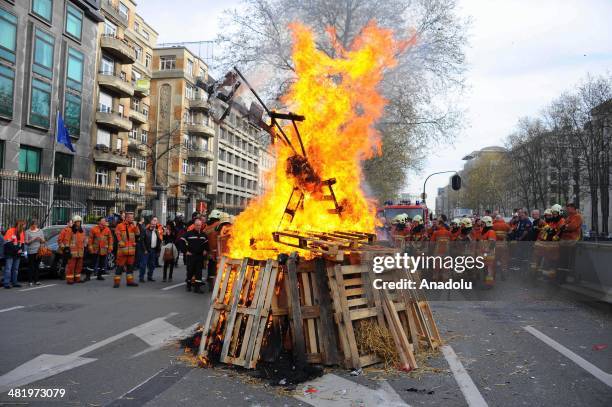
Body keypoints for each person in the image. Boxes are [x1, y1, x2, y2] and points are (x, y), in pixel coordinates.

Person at [180, 219, 209, 294]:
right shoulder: (189, 234)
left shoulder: (203, 235)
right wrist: (186, 251)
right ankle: (189, 285)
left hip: (199, 257)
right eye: (197, 225)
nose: (198, 227)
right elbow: (181, 241)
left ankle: (197, 287)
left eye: (199, 225)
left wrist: (205, 250)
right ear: (194, 225)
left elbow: (207, 244)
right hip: (191, 256)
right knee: (190, 271)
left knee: (199, 272)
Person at [114, 212, 139, 288]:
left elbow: (138, 234)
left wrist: (135, 226)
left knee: (130, 267)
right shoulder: (120, 225)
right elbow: (117, 234)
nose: (132, 219)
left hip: (131, 251)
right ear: (127, 218)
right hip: (122, 251)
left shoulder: (133, 226)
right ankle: (116, 283)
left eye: (133, 218)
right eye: (131, 218)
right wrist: (120, 241)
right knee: (120, 267)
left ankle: (130, 282)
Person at [89, 217, 113, 281]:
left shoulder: (107, 229)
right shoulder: (94, 229)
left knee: (101, 264)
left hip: (103, 250)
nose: (105, 222)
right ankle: (87, 276)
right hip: (95, 249)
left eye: (105, 221)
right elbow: (90, 239)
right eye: (103, 221)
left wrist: (110, 248)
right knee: (92, 263)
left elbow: (110, 239)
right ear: (99, 222)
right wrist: (90, 248)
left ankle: (99, 275)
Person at [3, 220, 26, 289]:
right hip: (10, 253)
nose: (25, 226)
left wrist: (21, 249)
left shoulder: (21, 232)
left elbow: (22, 243)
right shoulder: (10, 231)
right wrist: (17, 249)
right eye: (24, 225)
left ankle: (14, 282)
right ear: (20, 225)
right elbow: (7, 243)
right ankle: (6, 283)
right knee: (8, 268)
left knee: (15, 269)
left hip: (17, 254)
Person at [64, 215, 87, 284]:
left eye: (79, 222)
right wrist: (67, 249)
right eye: (77, 222)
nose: (78, 223)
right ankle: (70, 279)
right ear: (74, 222)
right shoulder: (70, 230)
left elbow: (84, 240)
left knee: (79, 266)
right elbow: (66, 240)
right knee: (71, 266)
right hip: (72, 251)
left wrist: (85, 247)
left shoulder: (82, 231)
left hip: (80, 251)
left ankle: (77, 278)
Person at [140, 216, 162, 282]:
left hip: (153, 250)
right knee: (143, 264)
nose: (155, 222)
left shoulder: (157, 231)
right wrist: (145, 250)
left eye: (156, 221)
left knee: (152, 265)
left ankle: (150, 276)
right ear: (151, 221)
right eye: (154, 220)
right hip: (146, 250)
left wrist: (158, 251)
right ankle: (141, 277)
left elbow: (159, 241)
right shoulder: (145, 230)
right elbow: (142, 240)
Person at [25, 219, 45, 286]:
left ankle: (37, 280)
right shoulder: (27, 232)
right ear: (31, 225)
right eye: (34, 225)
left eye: (36, 225)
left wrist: (41, 239)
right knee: (31, 266)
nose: (35, 226)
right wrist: (33, 239)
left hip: (38, 251)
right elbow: (26, 242)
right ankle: (30, 281)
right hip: (31, 251)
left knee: (37, 266)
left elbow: (43, 241)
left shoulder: (40, 231)